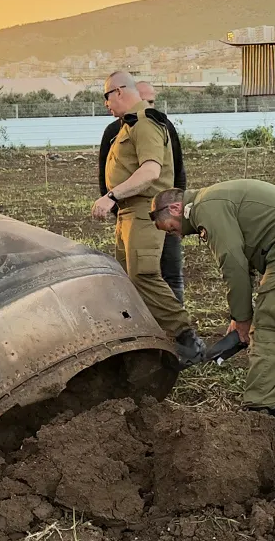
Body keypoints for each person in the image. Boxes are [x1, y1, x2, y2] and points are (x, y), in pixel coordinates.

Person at [150, 180, 275, 452]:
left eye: (171, 228)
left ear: (176, 207)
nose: (176, 235)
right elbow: (245, 257)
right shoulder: (213, 198)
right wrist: (240, 317)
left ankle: (259, 419)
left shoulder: (204, 208)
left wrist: (244, 319)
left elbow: (233, 264)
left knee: (271, 331)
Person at [93, 70, 204, 365]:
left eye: (106, 96)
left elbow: (151, 171)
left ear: (118, 91)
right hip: (129, 213)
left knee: (144, 274)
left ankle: (186, 338)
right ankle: (146, 339)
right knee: (128, 277)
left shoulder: (145, 122)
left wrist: (111, 196)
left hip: (144, 210)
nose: (105, 103)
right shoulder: (126, 126)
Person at [98, 80, 186, 304]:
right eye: (144, 100)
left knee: (161, 275)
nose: (148, 105)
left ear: (119, 92)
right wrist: (115, 205)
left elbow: (171, 170)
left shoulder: (155, 123)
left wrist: (176, 209)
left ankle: (181, 334)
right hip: (131, 214)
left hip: (161, 209)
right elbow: (106, 175)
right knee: (134, 274)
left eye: (151, 101)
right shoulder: (116, 130)